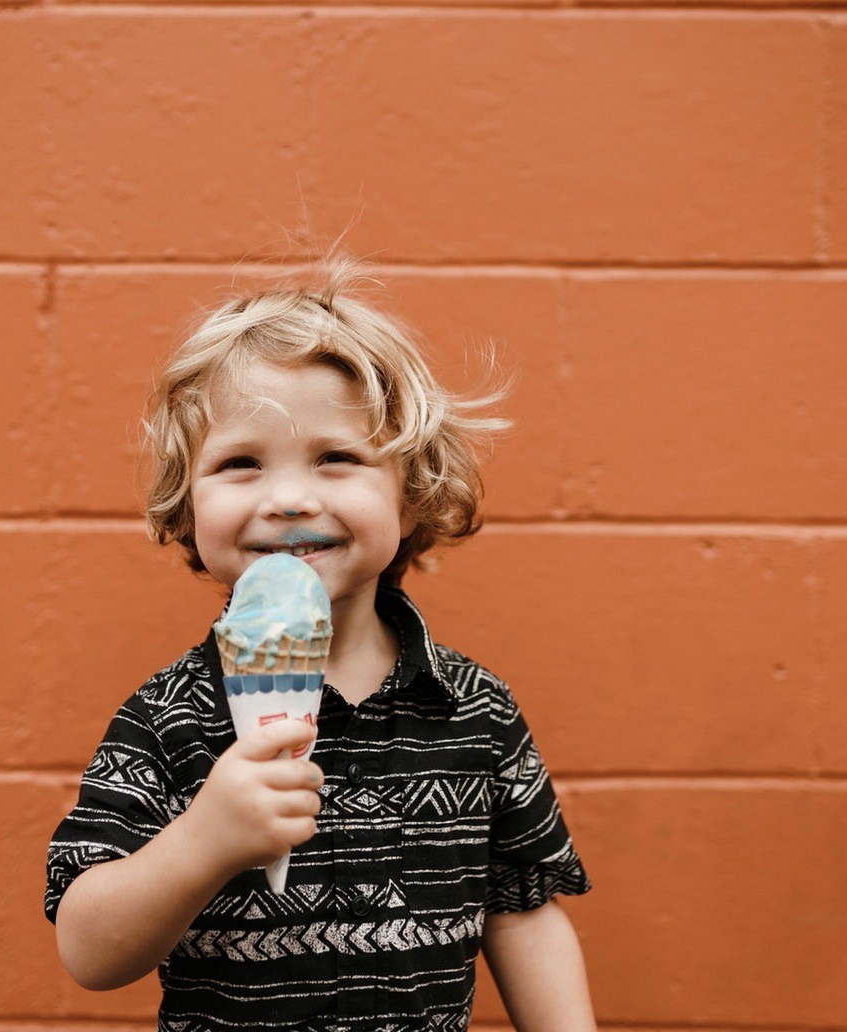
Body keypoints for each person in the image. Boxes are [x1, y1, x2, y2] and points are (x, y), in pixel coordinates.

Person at [45, 262, 595, 1030]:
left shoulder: (476, 712)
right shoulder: (168, 717)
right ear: (187, 504)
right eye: (240, 464)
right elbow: (87, 950)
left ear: (411, 494)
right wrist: (203, 842)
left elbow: (522, 912)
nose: (289, 497)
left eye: (336, 457)